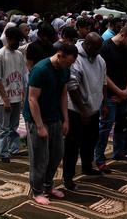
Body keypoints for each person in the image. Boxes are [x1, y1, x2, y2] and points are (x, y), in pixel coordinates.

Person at [25, 43, 78, 205]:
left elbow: (63, 95)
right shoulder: (40, 70)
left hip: (55, 117)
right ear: (59, 55)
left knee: (57, 154)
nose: (69, 66)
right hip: (37, 119)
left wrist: (66, 119)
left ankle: (48, 186)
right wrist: (40, 126)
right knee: (40, 157)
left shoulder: (64, 70)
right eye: (68, 62)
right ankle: (37, 190)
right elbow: (32, 99)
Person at [63, 33, 106, 190]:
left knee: (91, 141)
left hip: (93, 109)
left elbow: (104, 81)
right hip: (76, 110)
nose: (98, 52)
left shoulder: (99, 59)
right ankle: (68, 178)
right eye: (95, 49)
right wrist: (83, 110)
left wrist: (104, 103)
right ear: (87, 45)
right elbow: (72, 87)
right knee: (72, 146)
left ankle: (87, 167)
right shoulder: (76, 59)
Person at [95, 26, 127, 172]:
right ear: (123, 35)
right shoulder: (106, 47)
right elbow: (103, 74)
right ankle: (99, 158)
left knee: (121, 124)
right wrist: (118, 92)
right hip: (110, 95)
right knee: (106, 127)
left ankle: (118, 152)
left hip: (125, 93)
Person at [0, 27, 28, 163]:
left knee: (14, 125)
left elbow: (22, 75)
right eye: (15, 40)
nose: (17, 43)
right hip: (4, 98)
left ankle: (13, 149)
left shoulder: (19, 55)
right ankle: (3, 152)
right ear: (7, 38)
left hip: (17, 95)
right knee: (3, 126)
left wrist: (23, 93)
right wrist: (5, 98)